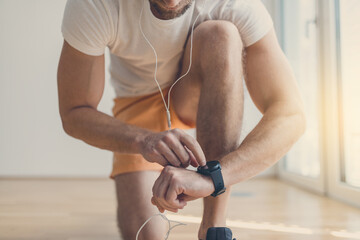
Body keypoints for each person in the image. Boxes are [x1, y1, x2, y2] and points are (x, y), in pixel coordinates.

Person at [57, 0, 306, 239]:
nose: (172, 2)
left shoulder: (236, 5)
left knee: (221, 33)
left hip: (193, 93)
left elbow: (291, 114)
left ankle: (214, 226)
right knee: (147, 236)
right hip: (138, 104)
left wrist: (212, 179)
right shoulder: (96, 4)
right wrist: (143, 140)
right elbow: (75, 112)